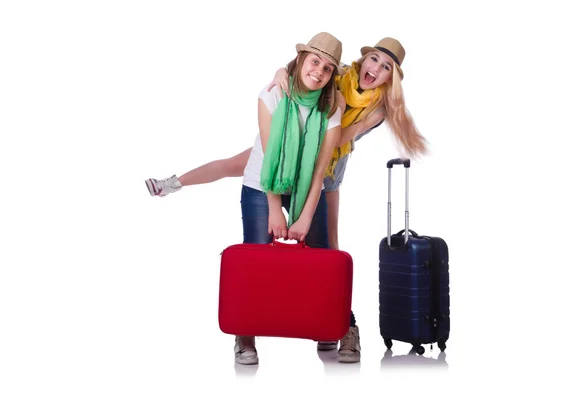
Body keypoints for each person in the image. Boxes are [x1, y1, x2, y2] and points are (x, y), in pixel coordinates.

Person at [145, 36, 428, 363]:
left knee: (328, 251)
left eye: (386, 67)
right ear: (363, 60)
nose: (376, 69)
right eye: (375, 59)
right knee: (232, 168)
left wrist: (328, 114)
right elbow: (303, 68)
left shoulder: (372, 107)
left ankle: (342, 325)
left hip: (327, 163)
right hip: (285, 147)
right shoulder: (338, 75)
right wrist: (282, 73)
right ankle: (173, 183)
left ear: (390, 78)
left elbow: (337, 140)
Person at [228, 32, 346, 365]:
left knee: (320, 258)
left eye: (327, 69)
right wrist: (274, 208)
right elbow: (269, 157)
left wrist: (306, 215)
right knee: (256, 259)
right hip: (262, 186)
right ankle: (245, 334)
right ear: (301, 61)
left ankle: (324, 326)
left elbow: (321, 165)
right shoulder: (272, 95)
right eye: (315, 62)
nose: (319, 72)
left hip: (309, 189)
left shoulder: (331, 106)